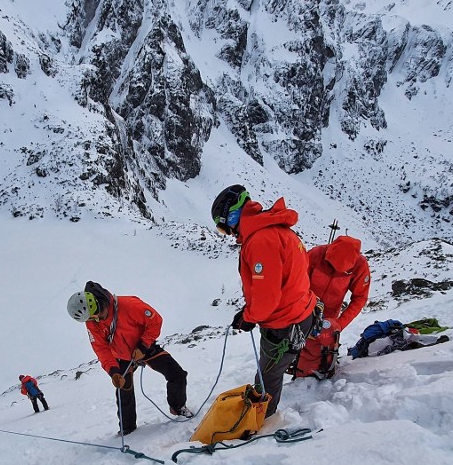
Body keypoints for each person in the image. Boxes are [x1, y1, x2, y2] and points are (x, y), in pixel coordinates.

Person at [211, 185, 317, 418]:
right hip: (298, 313)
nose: (227, 233)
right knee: (269, 372)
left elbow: (268, 298)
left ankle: (261, 422)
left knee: (267, 376)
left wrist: (249, 317)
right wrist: (249, 311)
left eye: (222, 227)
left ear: (231, 216)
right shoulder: (275, 229)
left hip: (284, 323)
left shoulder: (261, 240)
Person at [66, 281, 193, 435]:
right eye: (91, 319)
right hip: (120, 356)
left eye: (95, 316)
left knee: (177, 374)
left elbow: (155, 321)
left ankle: (178, 407)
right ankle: (127, 429)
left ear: (100, 304)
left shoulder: (129, 305)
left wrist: (144, 346)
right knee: (123, 391)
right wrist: (113, 371)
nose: (95, 320)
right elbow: (101, 348)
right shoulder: (92, 321)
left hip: (144, 347)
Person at [293, 235, 371, 379]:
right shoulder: (316, 254)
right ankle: (300, 374)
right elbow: (297, 282)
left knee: (323, 348)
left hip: (330, 317)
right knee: (300, 345)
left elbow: (360, 298)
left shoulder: (360, 265)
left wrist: (340, 324)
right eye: (331, 266)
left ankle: (318, 374)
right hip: (304, 309)